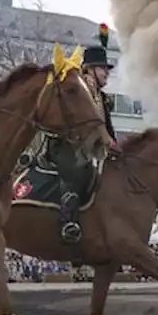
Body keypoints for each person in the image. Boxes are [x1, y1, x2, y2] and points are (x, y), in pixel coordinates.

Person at [49, 23, 118, 244]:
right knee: (79, 170)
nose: (107, 73)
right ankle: (67, 220)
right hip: (67, 145)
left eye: (107, 69)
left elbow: (107, 127)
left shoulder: (102, 97)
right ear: (89, 70)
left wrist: (116, 146)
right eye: (103, 68)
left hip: (95, 147)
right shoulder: (80, 91)